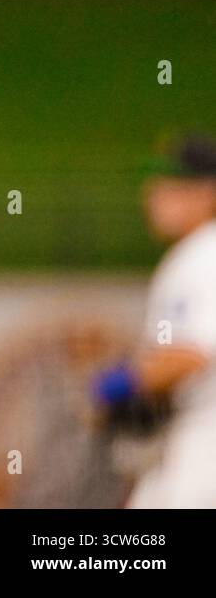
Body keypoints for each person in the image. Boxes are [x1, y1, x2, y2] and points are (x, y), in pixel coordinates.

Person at [93, 133, 216, 507]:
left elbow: (193, 352)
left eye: (172, 185)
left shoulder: (202, 255)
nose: (154, 195)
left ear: (207, 192)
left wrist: (124, 381)